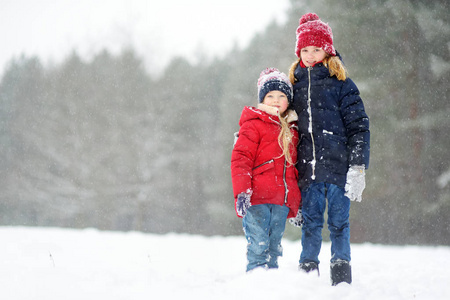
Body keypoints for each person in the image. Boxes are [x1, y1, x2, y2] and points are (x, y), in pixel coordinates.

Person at [288, 13, 370, 285]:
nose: (310, 55)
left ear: (327, 50)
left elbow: (359, 126)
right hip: (308, 172)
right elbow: (283, 130)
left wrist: (358, 166)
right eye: (305, 50)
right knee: (310, 225)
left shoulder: (342, 84)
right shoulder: (294, 87)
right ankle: (308, 275)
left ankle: (341, 276)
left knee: (338, 224)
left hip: (338, 168)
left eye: (316, 49)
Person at [231, 68, 302, 272]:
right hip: (257, 199)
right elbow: (240, 159)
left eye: (281, 96)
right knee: (259, 244)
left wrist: (297, 204)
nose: (276, 100)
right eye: (270, 96)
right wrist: (242, 192)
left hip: (281, 202)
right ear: (262, 99)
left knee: (274, 247)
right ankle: (256, 281)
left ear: (288, 101)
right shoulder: (253, 125)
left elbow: (293, 171)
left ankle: (270, 284)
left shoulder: (293, 129)